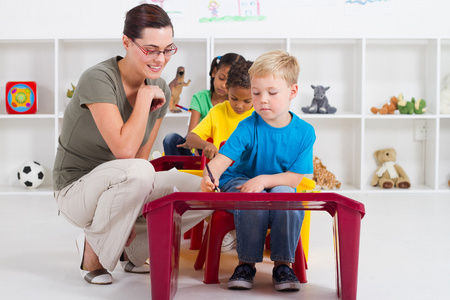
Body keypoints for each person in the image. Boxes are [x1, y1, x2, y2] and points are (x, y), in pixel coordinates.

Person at [53, 4, 211, 285]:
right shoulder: (99, 79)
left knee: (204, 193)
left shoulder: (160, 86)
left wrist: (150, 92)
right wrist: (143, 99)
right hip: (76, 191)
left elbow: (140, 156)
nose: (160, 59)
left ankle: (133, 250)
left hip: (123, 182)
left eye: (167, 49)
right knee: (138, 171)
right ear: (126, 41)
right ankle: (93, 252)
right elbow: (124, 152)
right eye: (150, 49)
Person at [201, 50, 316, 292]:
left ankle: (283, 266)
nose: (262, 100)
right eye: (256, 93)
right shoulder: (247, 126)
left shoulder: (305, 132)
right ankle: (246, 264)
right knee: (253, 196)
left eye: (272, 93)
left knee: (285, 192)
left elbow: (294, 178)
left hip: (276, 184)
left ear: (292, 92)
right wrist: (209, 175)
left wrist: (263, 180)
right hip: (240, 182)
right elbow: (220, 162)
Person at [163, 53, 246, 156]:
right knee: (170, 139)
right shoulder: (200, 98)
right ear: (214, 72)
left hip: (221, 149)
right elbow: (191, 134)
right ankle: (178, 169)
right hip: (200, 145)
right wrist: (195, 147)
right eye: (221, 78)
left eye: (229, 82)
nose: (223, 85)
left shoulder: (236, 104)